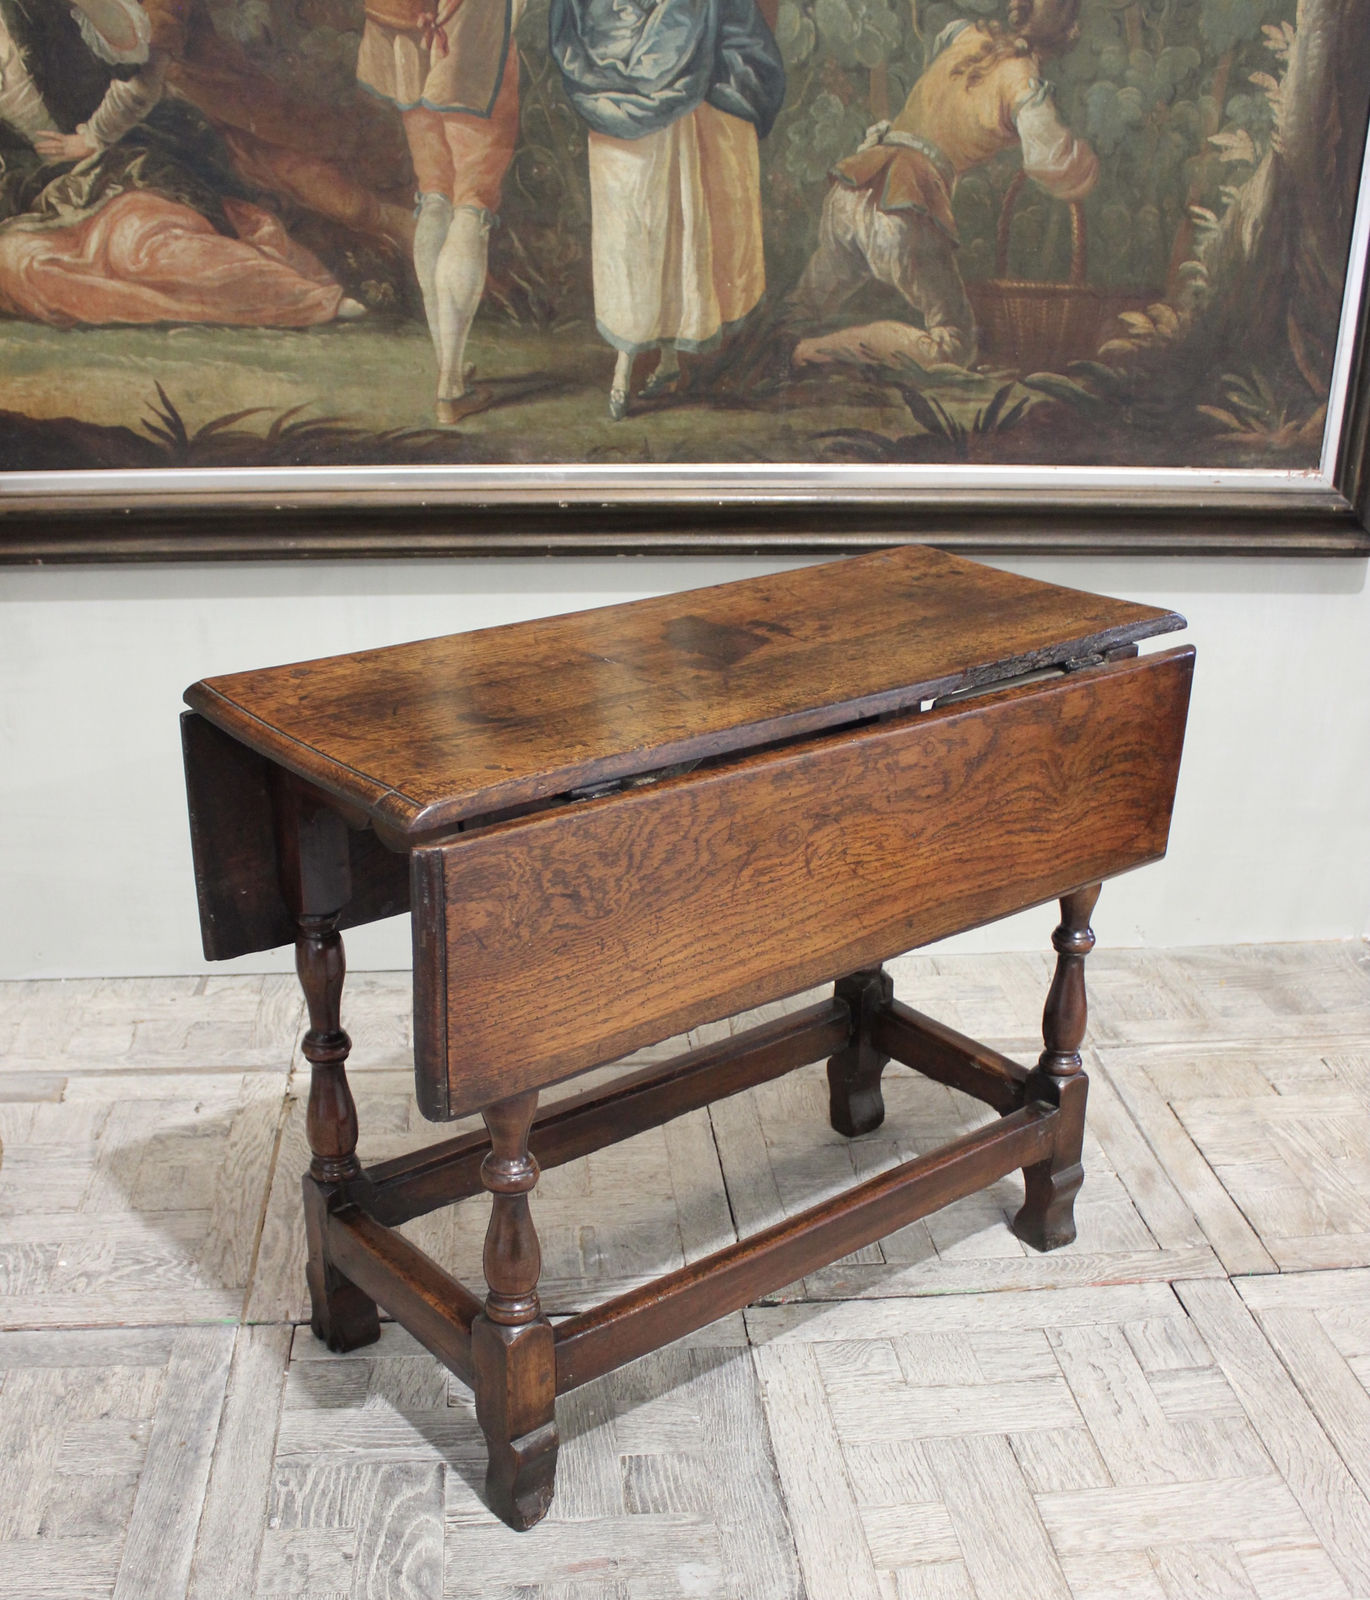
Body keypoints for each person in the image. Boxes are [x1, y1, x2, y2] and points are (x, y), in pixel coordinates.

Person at [0, 0, 361, 328]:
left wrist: (91, 138)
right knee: (22, 263)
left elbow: (141, 82)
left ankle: (288, 294)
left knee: (137, 246)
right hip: (35, 188)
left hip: (122, 158)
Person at [790, 0, 1098, 372]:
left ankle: (776, 350)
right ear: (1066, 31)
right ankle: (817, 349)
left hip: (853, 186)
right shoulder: (1023, 81)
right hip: (905, 204)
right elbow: (1051, 163)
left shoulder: (965, 34)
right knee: (955, 343)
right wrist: (1086, 166)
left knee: (804, 305)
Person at [549, 0, 785, 418]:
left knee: (674, 218)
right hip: (638, 83)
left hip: (664, 86)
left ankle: (668, 362)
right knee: (643, 228)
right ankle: (624, 370)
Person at [356, 0, 522, 423]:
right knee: (472, 200)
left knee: (434, 193)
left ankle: (448, 366)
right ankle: (450, 384)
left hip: (402, 18)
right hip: (467, 23)